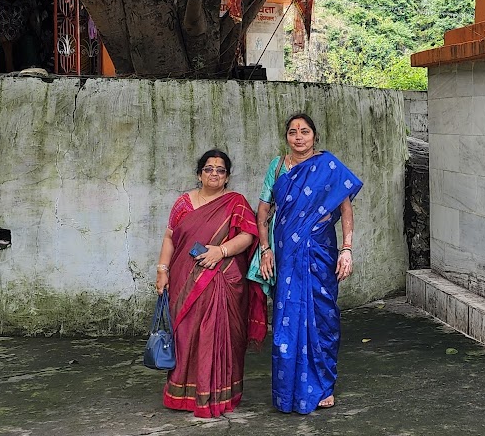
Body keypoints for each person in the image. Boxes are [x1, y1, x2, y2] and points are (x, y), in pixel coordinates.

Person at [256, 113, 362, 413]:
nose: (298, 137)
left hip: (320, 253)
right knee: (286, 324)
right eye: (292, 132)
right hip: (286, 256)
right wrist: (265, 250)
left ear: (315, 136)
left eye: (304, 131)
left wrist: (347, 249)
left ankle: (324, 387)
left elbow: (345, 208)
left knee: (323, 319)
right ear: (286, 136)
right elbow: (262, 214)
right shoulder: (277, 167)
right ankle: (288, 391)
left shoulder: (328, 167)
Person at [155, 150, 266, 418]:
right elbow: (170, 238)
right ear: (198, 174)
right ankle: (184, 394)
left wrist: (221, 251)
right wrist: (162, 270)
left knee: (219, 336)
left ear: (227, 177)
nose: (214, 174)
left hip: (223, 279)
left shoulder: (235, 202)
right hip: (184, 278)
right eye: (208, 169)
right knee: (185, 335)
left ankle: (218, 393)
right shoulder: (183, 204)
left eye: (220, 170)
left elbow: (248, 237)